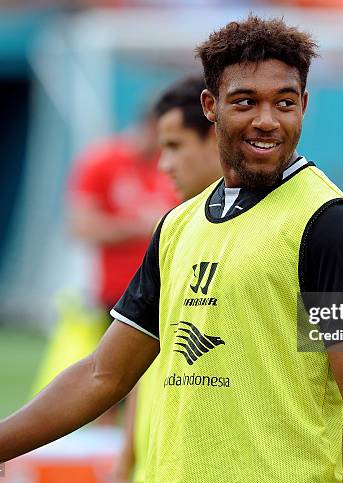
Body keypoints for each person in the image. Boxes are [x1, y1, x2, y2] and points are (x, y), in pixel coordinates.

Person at [0, 15, 343, 483]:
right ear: (210, 106)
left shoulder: (332, 226)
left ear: (305, 105)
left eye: (285, 102)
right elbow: (102, 376)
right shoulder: (177, 226)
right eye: (245, 102)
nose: (267, 120)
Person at [111, 76, 222, 482]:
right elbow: (129, 367)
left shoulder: (326, 221)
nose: (163, 165)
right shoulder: (174, 230)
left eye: (174, 146)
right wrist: (126, 462)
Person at [30, 113, 178, 403]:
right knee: (105, 388)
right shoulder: (103, 161)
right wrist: (142, 226)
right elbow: (80, 225)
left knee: (154, 394)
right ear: (151, 126)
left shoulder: (171, 165)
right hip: (116, 298)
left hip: (166, 295)